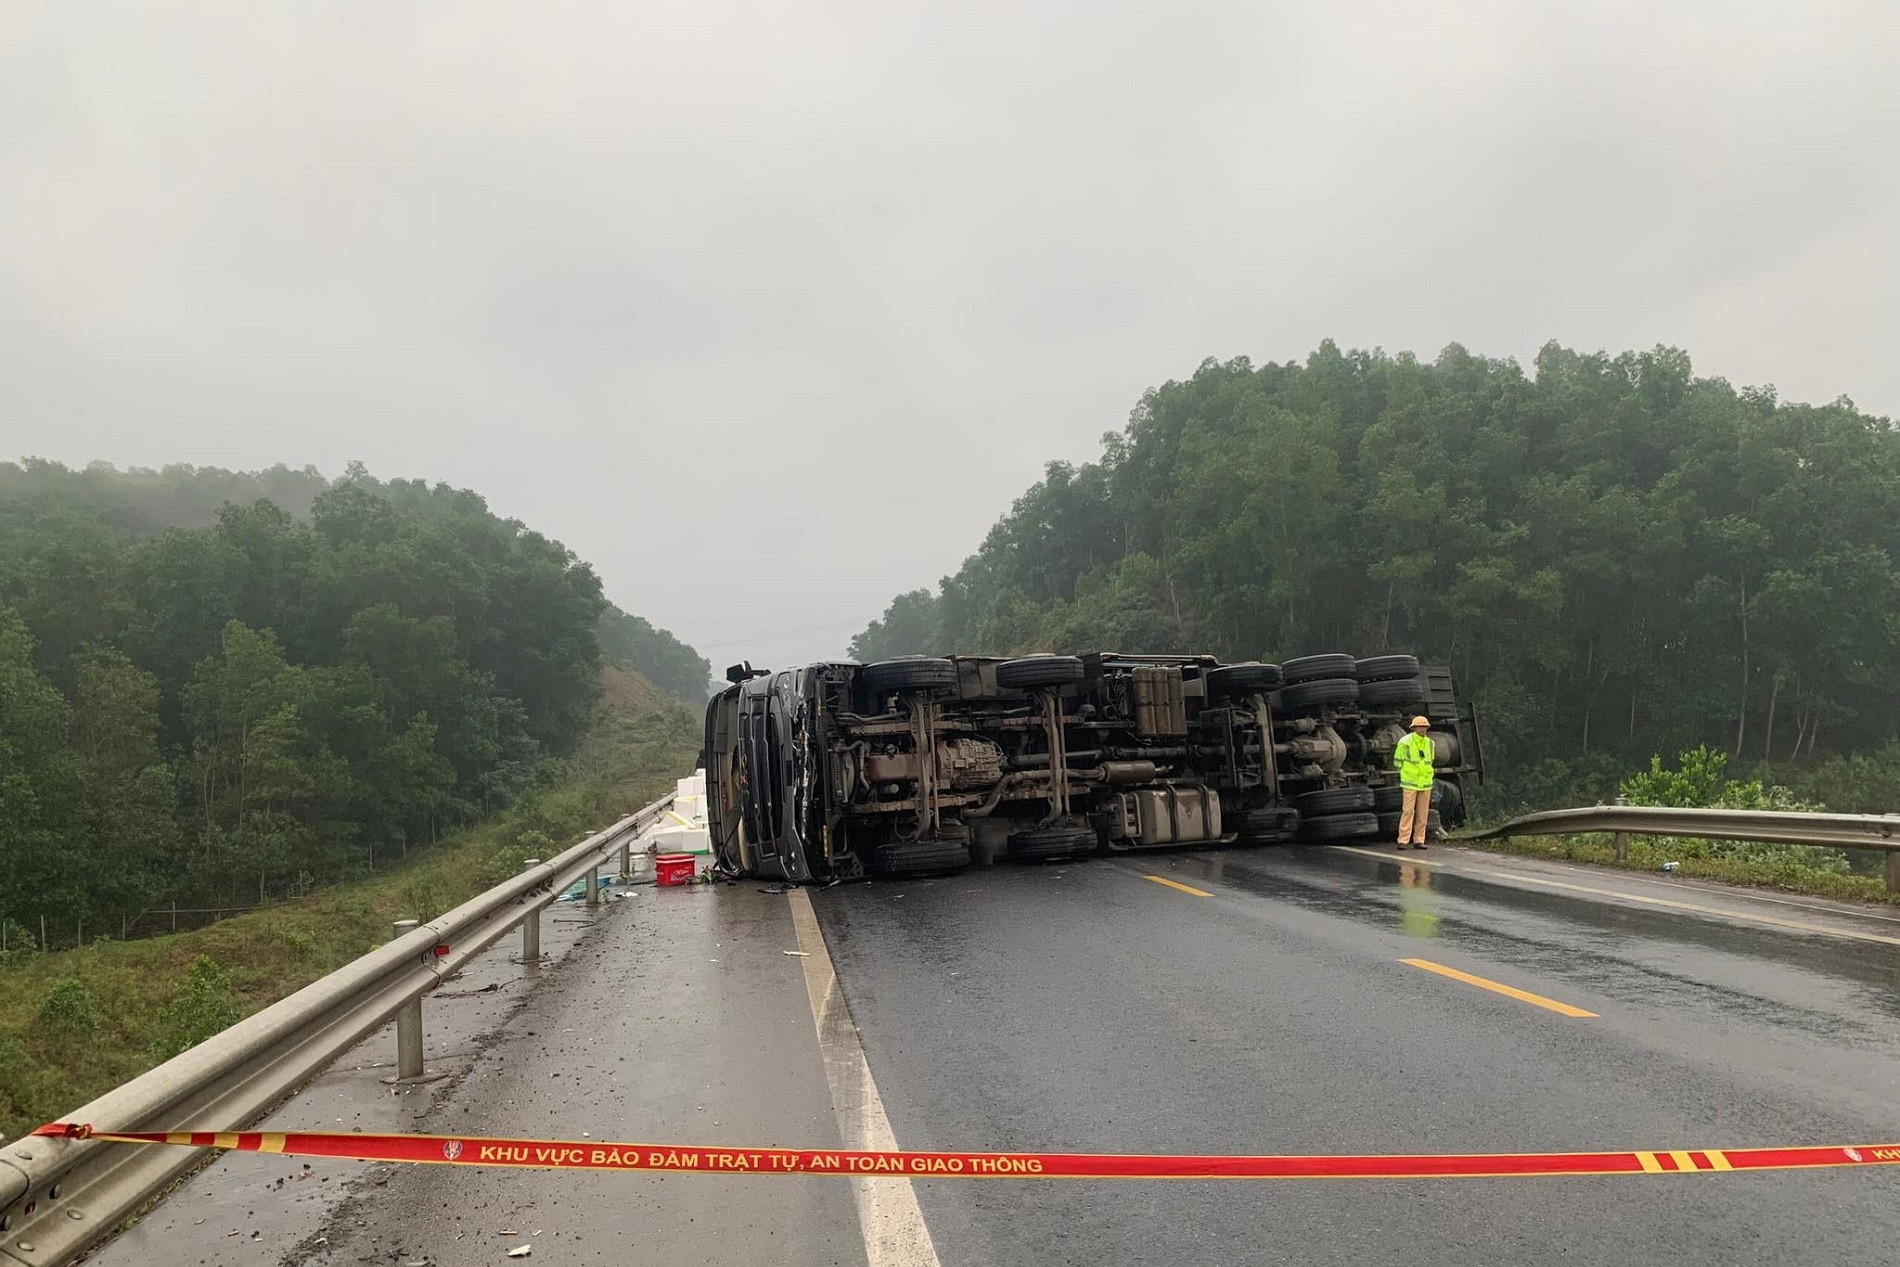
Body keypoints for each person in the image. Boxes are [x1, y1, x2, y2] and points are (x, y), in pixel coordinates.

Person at [1393, 715, 1435, 849]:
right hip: (1410, 782)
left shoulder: (1430, 743)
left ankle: (1419, 840)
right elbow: (1397, 761)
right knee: (1408, 811)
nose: (1422, 729)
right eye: (1420, 726)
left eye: (1424, 726)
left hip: (1425, 782)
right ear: (1414, 727)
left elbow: (1430, 761)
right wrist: (1405, 773)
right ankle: (1403, 840)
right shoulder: (1405, 742)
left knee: (1423, 813)